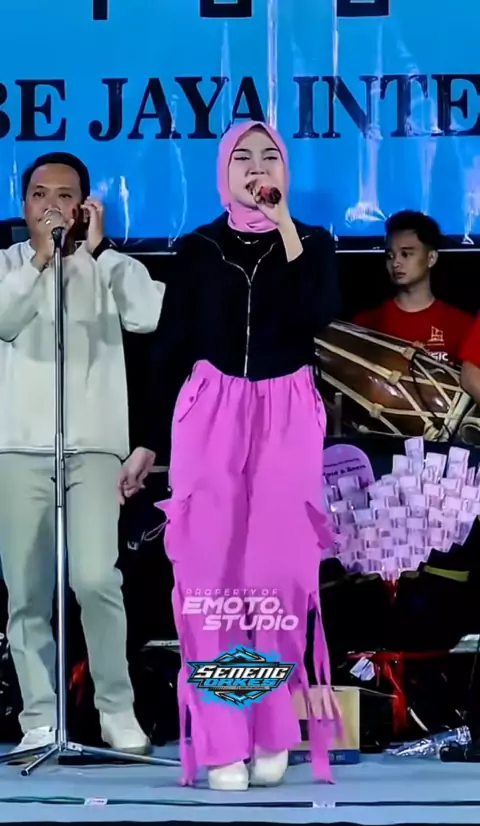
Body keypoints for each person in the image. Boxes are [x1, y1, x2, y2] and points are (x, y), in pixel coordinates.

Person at [118, 121, 341, 790]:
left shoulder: (314, 244)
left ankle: (270, 727)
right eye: (242, 156)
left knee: (277, 579)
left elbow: (316, 315)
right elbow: (169, 349)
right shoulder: (198, 249)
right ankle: (222, 740)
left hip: (287, 410)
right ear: (223, 170)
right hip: (211, 409)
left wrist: (286, 224)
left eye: (269, 156)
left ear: (285, 170)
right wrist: (147, 441)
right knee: (210, 581)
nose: (255, 166)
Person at [0, 152, 165, 755]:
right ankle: (39, 718)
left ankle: (116, 709)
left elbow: (149, 316)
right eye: (40, 194)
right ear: (23, 205)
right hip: (18, 448)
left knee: (96, 579)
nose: (52, 205)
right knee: (26, 591)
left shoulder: (110, 265)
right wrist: (41, 261)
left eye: (65, 195)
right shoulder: (9, 265)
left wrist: (99, 252)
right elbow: (3, 319)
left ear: (85, 206)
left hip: (94, 447)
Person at [353, 211, 473, 363]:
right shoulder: (365, 324)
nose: (395, 263)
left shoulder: (463, 326)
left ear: (431, 258)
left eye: (405, 254)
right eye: (390, 256)